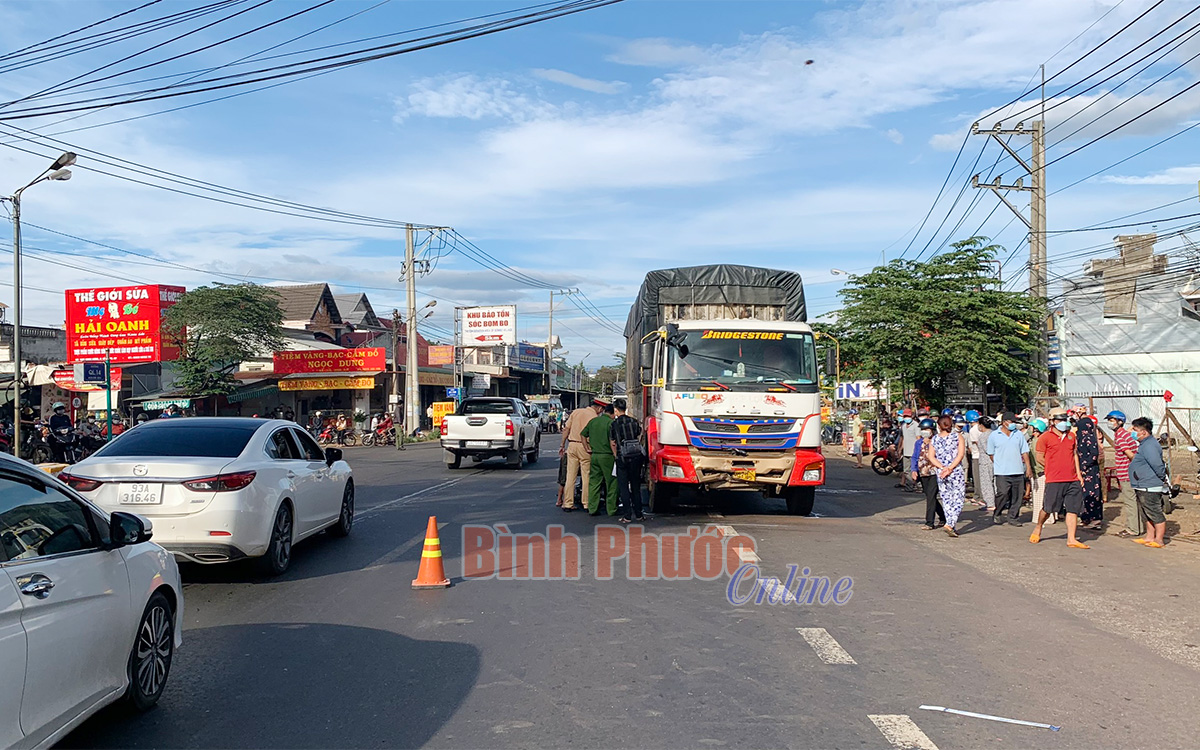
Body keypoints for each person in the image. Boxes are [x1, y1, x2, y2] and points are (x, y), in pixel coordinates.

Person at [1031, 410, 1089, 549]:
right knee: (1048, 508)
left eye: (1065, 419)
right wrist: (1052, 467)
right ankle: (1039, 526)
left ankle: (1071, 538)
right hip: (1054, 479)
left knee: (1073, 508)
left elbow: (1074, 455)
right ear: (1052, 421)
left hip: (1072, 478)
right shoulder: (1045, 437)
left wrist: (1079, 474)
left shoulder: (1071, 436)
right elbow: (1039, 457)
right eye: (1060, 420)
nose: (1064, 422)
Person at [1127, 417, 1168, 548]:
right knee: (1146, 512)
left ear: (1144, 432)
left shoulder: (1150, 445)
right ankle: (1150, 536)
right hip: (1142, 485)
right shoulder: (1145, 444)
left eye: (1135, 430)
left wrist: (1161, 478)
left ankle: (1159, 539)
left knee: (1154, 512)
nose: (1132, 432)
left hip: (1150, 486)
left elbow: (1157, 464)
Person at [988, 411, 1032, 526]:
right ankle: (997, 513)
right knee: (1002, 493)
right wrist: (1000, 463)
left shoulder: (1018, 434)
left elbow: (1025, 452)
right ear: (1003, 422)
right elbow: (991, 454)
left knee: (1017, 496)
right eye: (1011, 421)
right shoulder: (994, 435)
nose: (1013, 424)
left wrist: (1028, 467)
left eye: (1014, 422)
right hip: (1001, 471)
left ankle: (1013, 517)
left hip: (1017, 470)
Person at [926, 414, 966, 537]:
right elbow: (960, 455)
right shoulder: (957, 437)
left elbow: (930, 456)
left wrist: (942, 467)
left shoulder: (935, 439)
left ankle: (951, 524)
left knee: (947, 499)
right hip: (955, 471)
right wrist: (950, 468)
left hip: (941, 472)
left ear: (938, 426)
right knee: (958, 498)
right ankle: (950, 523)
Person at [561, 399, 602, 511]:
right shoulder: (594, 417)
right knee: (586, 476)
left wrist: (562, 445)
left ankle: (568, 503)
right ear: (599, 408)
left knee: (570, 476)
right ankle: (586, 503)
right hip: (585, 447)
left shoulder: (576, 412)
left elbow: (566, 429)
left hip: (572, 445)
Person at [609, 399, 647, 523]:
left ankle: (627, 516)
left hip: (622, 458)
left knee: (623, 487)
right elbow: (639, 436)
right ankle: (639, 514)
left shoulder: (614, 424)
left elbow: (613, 442)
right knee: (635, 486)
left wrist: (616, 456)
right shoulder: (634, 422)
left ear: (615, 409)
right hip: (636, 457)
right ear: (625, 408)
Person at [1106, 411, 1142, 539]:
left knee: (1130, 502)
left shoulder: (1121, 437)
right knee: (1136, 501)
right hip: (1132, 472)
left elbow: (1130, 455)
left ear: (1119, 422)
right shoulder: (1125, 434)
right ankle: (1139, 527)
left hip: (1126, 473)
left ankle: (1132, 529)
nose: (1109, 423)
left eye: (1112, 420)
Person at [581, 402, 617, 516]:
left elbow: (582, 434)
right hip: (607, 456)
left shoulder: (593, 421)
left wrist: (587, 448)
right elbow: (614, 442)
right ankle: (611, 509)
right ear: (613, 413)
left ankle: (592, 508)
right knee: (612, 483)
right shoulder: (611, 423)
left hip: (595, 455)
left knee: (594, 483)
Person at [911, 417, 945, 530]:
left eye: (927, 429)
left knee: (931, 496)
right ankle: (943, 516)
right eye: (923, 429)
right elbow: (915, 457)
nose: (924, 431)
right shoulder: (918, 443)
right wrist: (914, 470)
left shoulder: (937, 441)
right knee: (930, 496)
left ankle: (929, 522)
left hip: (935, 472)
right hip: (923, 473)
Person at [1076, 416, 1104, 531]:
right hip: (1082, 470)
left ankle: (1095, 519)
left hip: (1090, 471)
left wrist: (1084, 466)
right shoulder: (1080, 438)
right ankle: (1086, 518)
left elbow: (1093, 454)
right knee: (1084, 495)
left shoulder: (1090, 438)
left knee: (1093, 494)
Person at [1027, 418, 1048, 523]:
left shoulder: (1037, 441)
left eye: (1030, 427)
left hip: (1040, 473)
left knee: (1039, 498)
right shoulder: (1035, 440)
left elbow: (1038, 458)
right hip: (1039, 472)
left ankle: (1040, 519)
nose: (1028, 429)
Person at [974, 416, 996, 512]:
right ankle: (997, 501)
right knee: (995, 482)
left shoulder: (983, 436)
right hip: (995, 461)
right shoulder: (994, 434)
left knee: (986, 483)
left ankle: (990, 503)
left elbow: (987, 450)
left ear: (981, 425)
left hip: (985, 461)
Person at [899, 410, 920, 492]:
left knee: (914, 470)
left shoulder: (916, 425)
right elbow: (904, 438)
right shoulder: (904, 426)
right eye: (905, 416)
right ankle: (910, 486)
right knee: (906, 471)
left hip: (914, 452)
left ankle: (917, 486)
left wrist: (918, 451)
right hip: (906, 452)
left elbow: (918, 439)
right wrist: (900, 449)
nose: (906, 418)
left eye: (908, 416)